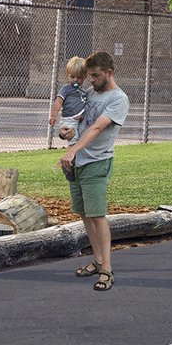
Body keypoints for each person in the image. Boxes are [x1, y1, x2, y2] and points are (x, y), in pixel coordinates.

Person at [58, 51, 129, 290]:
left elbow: (98, 128)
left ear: (109, 73)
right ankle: (97, 260)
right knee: (85, 214)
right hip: (78, 161)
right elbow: (80, 121)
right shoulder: (89, 94)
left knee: (97, 216)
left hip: (97, 162)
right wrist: (66, 132)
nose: (91, 80)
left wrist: (72, 151)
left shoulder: (118, 99)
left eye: (96, 75)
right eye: (89, 76)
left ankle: (107, 270)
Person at [47, 56, 87, 146]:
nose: (75, 80)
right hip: (69, 120)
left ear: (85, 76)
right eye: (72, 77)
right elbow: (58, 102)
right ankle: (71, 157)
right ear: (67, 75)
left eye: (79, 77)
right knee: (73, 139)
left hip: (79, 121)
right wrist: (53, 116)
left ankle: (76, 157)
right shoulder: (66, 89)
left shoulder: (83, 92)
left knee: (82, 139)